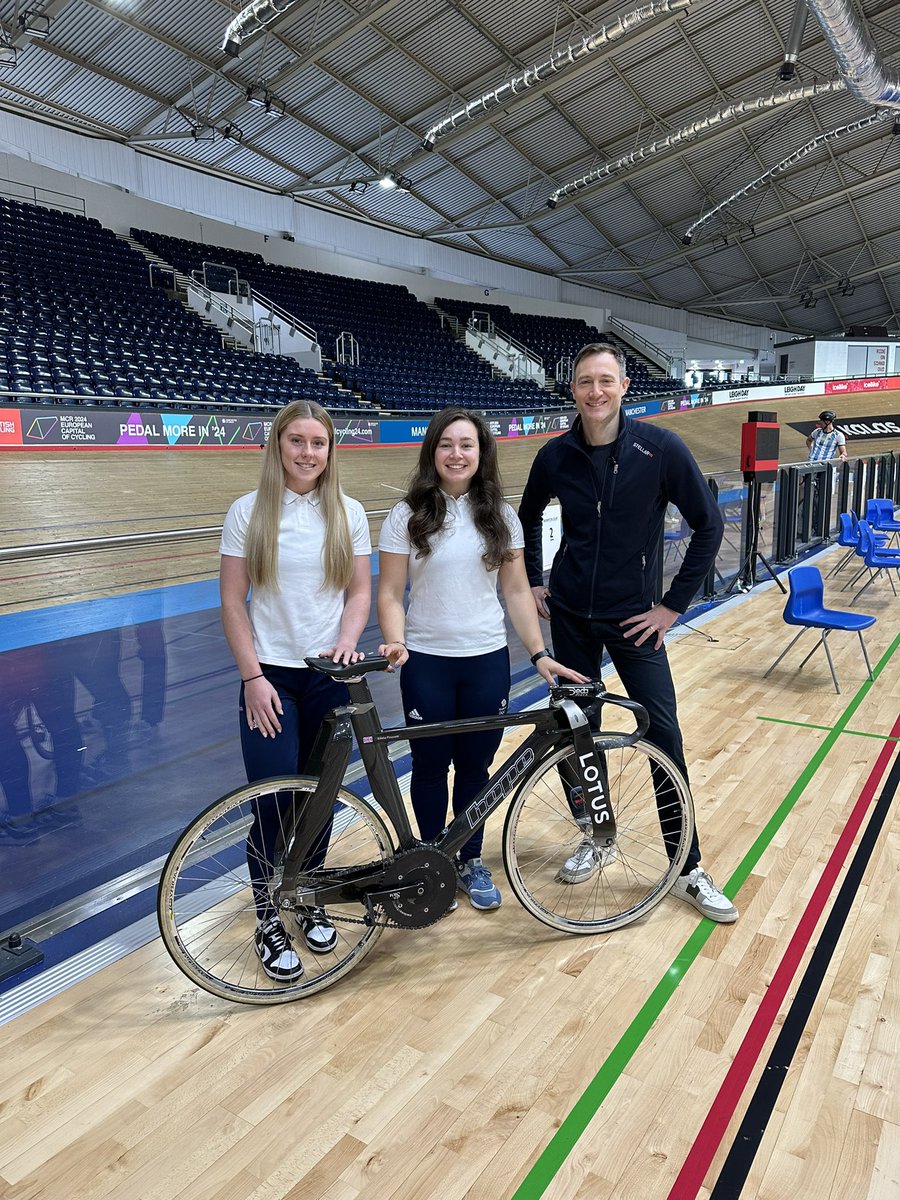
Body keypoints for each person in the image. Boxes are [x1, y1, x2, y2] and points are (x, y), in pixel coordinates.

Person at [518, 343, 738, 923]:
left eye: (606, 381)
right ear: (573, 390)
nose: (595, 392)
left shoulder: (660, 448)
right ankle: (597, 836)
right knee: (575, 732)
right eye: (585, 382)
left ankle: (687, 865)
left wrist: (671, 608)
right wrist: (536, 581)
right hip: (568, 616)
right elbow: (526, 517)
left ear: (623, 386)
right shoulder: (555, 455)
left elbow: (708, 526)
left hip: (635, 621)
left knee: (663, 734)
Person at [377, 408, 586, 912]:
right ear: (432, 451)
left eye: (466, 445)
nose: (456, 454)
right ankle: (430, 861)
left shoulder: (501, 515)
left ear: (481, 453)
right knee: (429, 766)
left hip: (485, 660)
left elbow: (516, 591)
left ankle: (469, 858)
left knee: (475, 766)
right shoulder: (406, 515)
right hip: (426, 660)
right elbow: (389, 591)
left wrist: (538, 653)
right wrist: (395, 639)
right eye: (446, 444)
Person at [219, 400, 374, 981]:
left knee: (320, 798)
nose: (308, 453)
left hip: (328, 677)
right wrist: (252, 677)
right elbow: (233, 601)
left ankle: (306, 898)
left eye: (318, 443)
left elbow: (359, 593)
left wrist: (348, 640)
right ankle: (267, 916)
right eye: (297, 442)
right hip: (271, 679)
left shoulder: (349, 512)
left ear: (331, 450)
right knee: (272, 802)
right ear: (278, 445)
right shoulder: (248, 511)